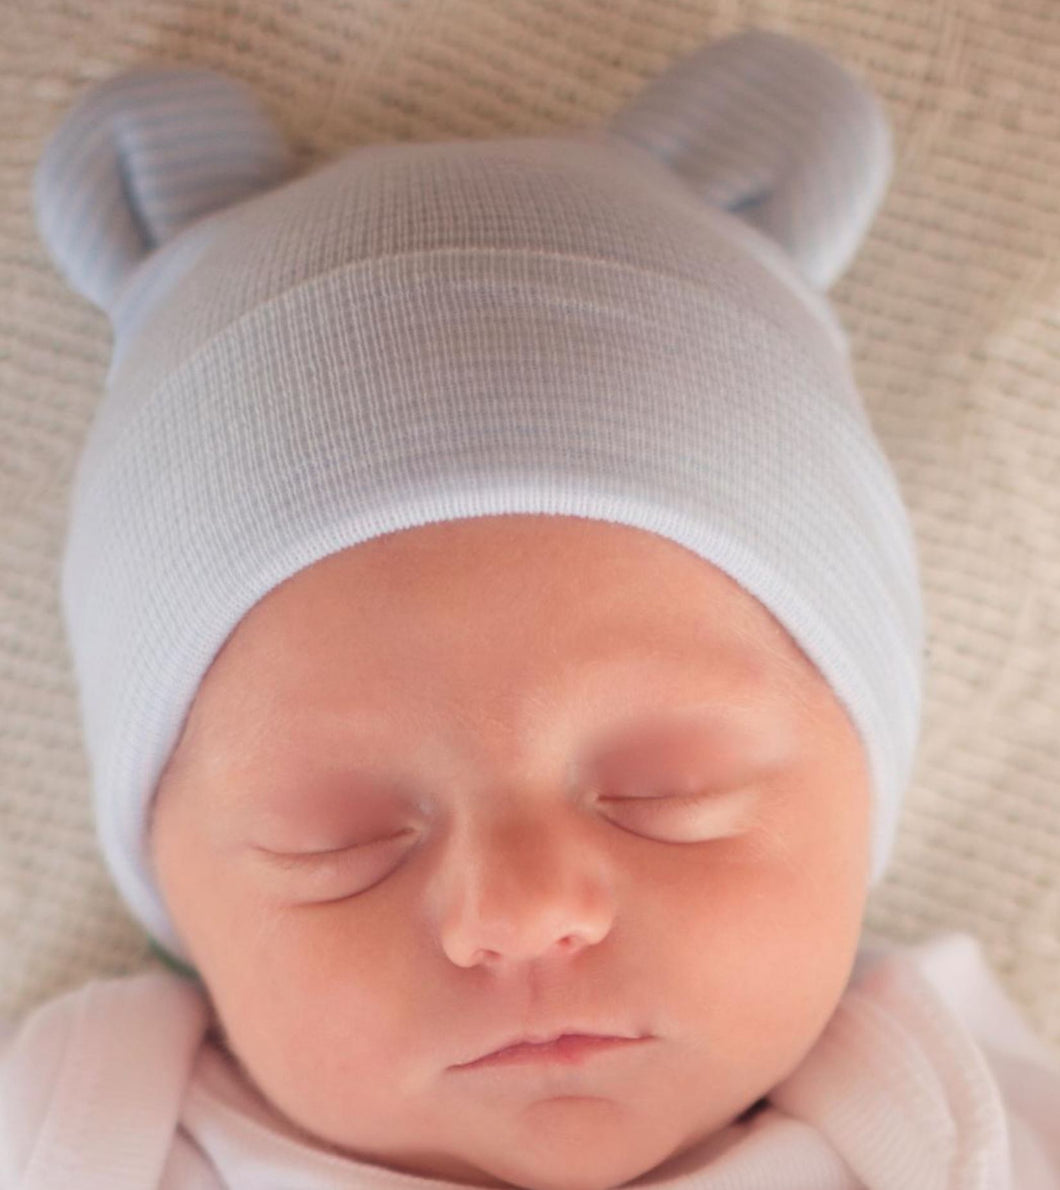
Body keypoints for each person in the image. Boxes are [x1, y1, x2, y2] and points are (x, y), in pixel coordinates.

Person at [3, 26, 1058, 1190]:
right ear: (173, 898)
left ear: (863, 794)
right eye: (338, 843)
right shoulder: (82, 1132)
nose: (520, 909)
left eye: (671, 792)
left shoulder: (966, 1121)